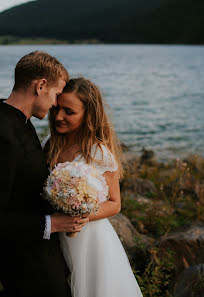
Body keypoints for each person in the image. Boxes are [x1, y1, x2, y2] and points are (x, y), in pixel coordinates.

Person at [0, 51, 89, 297]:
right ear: (41, 85)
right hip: (26, 267)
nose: (56, 104)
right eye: (56, 94)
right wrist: (51, 223)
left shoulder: (20, 121)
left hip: (43, 257)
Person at [42, 77, 143, 297]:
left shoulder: (98, 153)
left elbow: (115, 204)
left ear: (88, 115)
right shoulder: (49, 143)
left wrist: (82, 215)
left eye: (69, 112)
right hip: (53, 234)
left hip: (90, 240)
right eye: (57, 108)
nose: (59, 116)